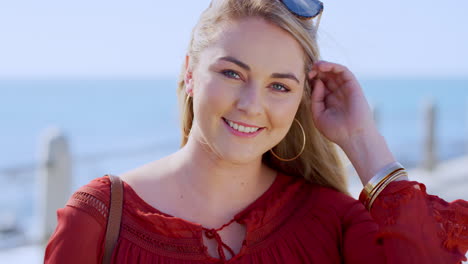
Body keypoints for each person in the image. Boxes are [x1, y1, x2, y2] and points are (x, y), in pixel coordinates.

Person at [44, 0, 468, 263]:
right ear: (190, 74)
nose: (251, 104)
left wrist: (363, 140)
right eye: (232, 73)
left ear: (304, 96)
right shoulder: (99, 218)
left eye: (279, 86)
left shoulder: (333, 222)